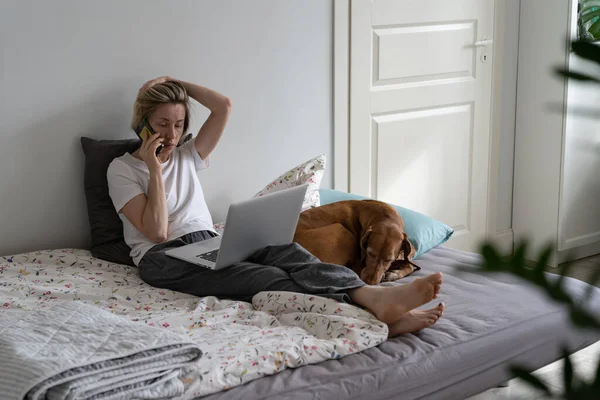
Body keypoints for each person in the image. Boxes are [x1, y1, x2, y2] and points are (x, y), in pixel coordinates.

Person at [107, 76, 445, 338]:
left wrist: (173, 81)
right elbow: (157, 231)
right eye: (162, 124)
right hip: (162, 259)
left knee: (291, 254)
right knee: (268, 277)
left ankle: (369, 295)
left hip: (209, 242)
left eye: (179, 125)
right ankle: (377, 315)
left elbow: (223, 106)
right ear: (143, 124)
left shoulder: (187, 154)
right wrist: (154, 169)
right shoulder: (121, 169)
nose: (172, 134)